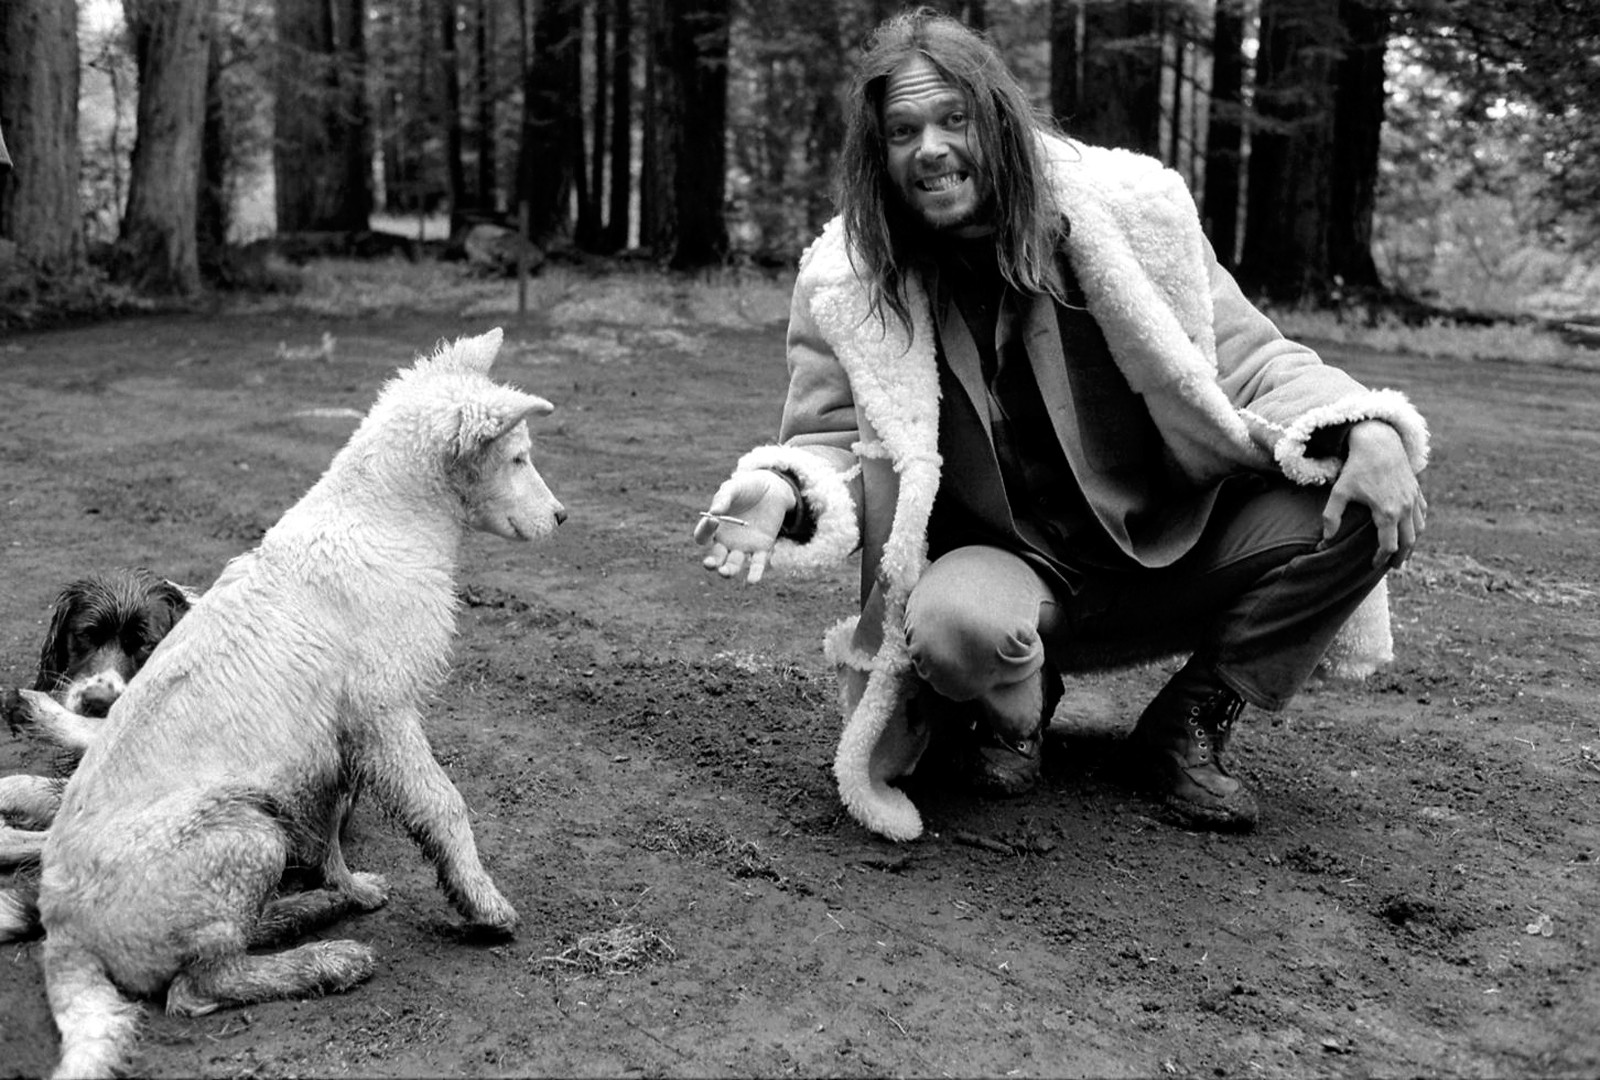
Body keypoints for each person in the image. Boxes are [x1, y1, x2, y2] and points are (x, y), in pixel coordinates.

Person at [694, 9, 1428, 843]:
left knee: (1369, 505)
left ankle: (1188, 724)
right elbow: (827, 441)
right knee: (952, 628)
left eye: (952, 119)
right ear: (880, 155)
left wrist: (1366, 427)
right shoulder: (851, 284)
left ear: (998, 122)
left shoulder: (1131, 218)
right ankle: (1016, 710)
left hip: (1170, 544)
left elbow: (1255, 359)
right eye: (903, 130)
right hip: (1010, 575)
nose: (929, 147)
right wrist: (774, 490)